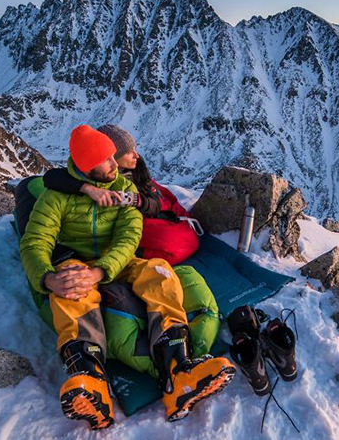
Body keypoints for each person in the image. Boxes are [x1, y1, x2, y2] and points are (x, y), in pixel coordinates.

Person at [19, 124, 235, 430]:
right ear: (85, 168)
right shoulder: (55, 198)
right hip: (78, 260)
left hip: (117, 261)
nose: (113, 165)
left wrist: (100, 270)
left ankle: (179, 369)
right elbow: (34, 242)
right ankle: (92, 383)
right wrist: (48, 278)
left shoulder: (125, 190)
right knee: (69, 290)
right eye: (104, 161)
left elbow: (128, 238)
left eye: (112, 158)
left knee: (159, 272)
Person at [43, 124, 201, 265]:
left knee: (183, 239)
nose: (136, 155)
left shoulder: (136, 171)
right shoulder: (97, 176)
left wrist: (137, 200)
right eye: (128, 152)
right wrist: (87, 188)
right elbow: (52, 177)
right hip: (120, 229)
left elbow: (155, 200)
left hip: (142, 213)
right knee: (181, 243)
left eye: (135, 148)